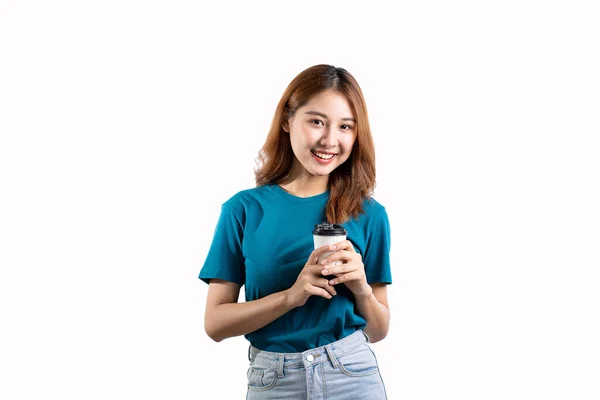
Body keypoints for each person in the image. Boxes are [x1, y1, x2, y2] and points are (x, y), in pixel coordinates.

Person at [199, 64, 392, 399]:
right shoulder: (244, 209)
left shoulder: (370, 214)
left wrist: (361, 289)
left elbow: (378, 330)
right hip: (273, 381)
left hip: (352, 374)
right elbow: (215, 324)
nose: (330, 140)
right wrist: (291, 296)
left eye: (345, 126)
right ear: (287, 120)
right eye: (316, 121)